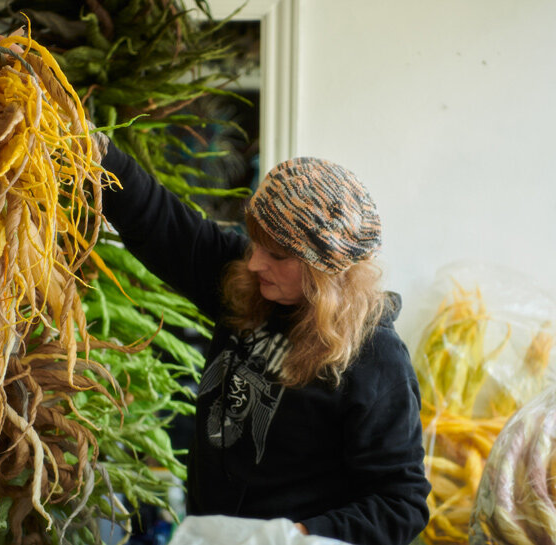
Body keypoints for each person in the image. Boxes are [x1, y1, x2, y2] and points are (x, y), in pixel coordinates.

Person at [97, 138, 431, 545]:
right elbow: (166, 225)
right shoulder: (252, 285)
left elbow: (401, 503)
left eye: (276, 255)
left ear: (324, 271)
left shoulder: (374, 358)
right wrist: (100, 158)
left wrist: (292, 536)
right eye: (255, 242)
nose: (255, 263)